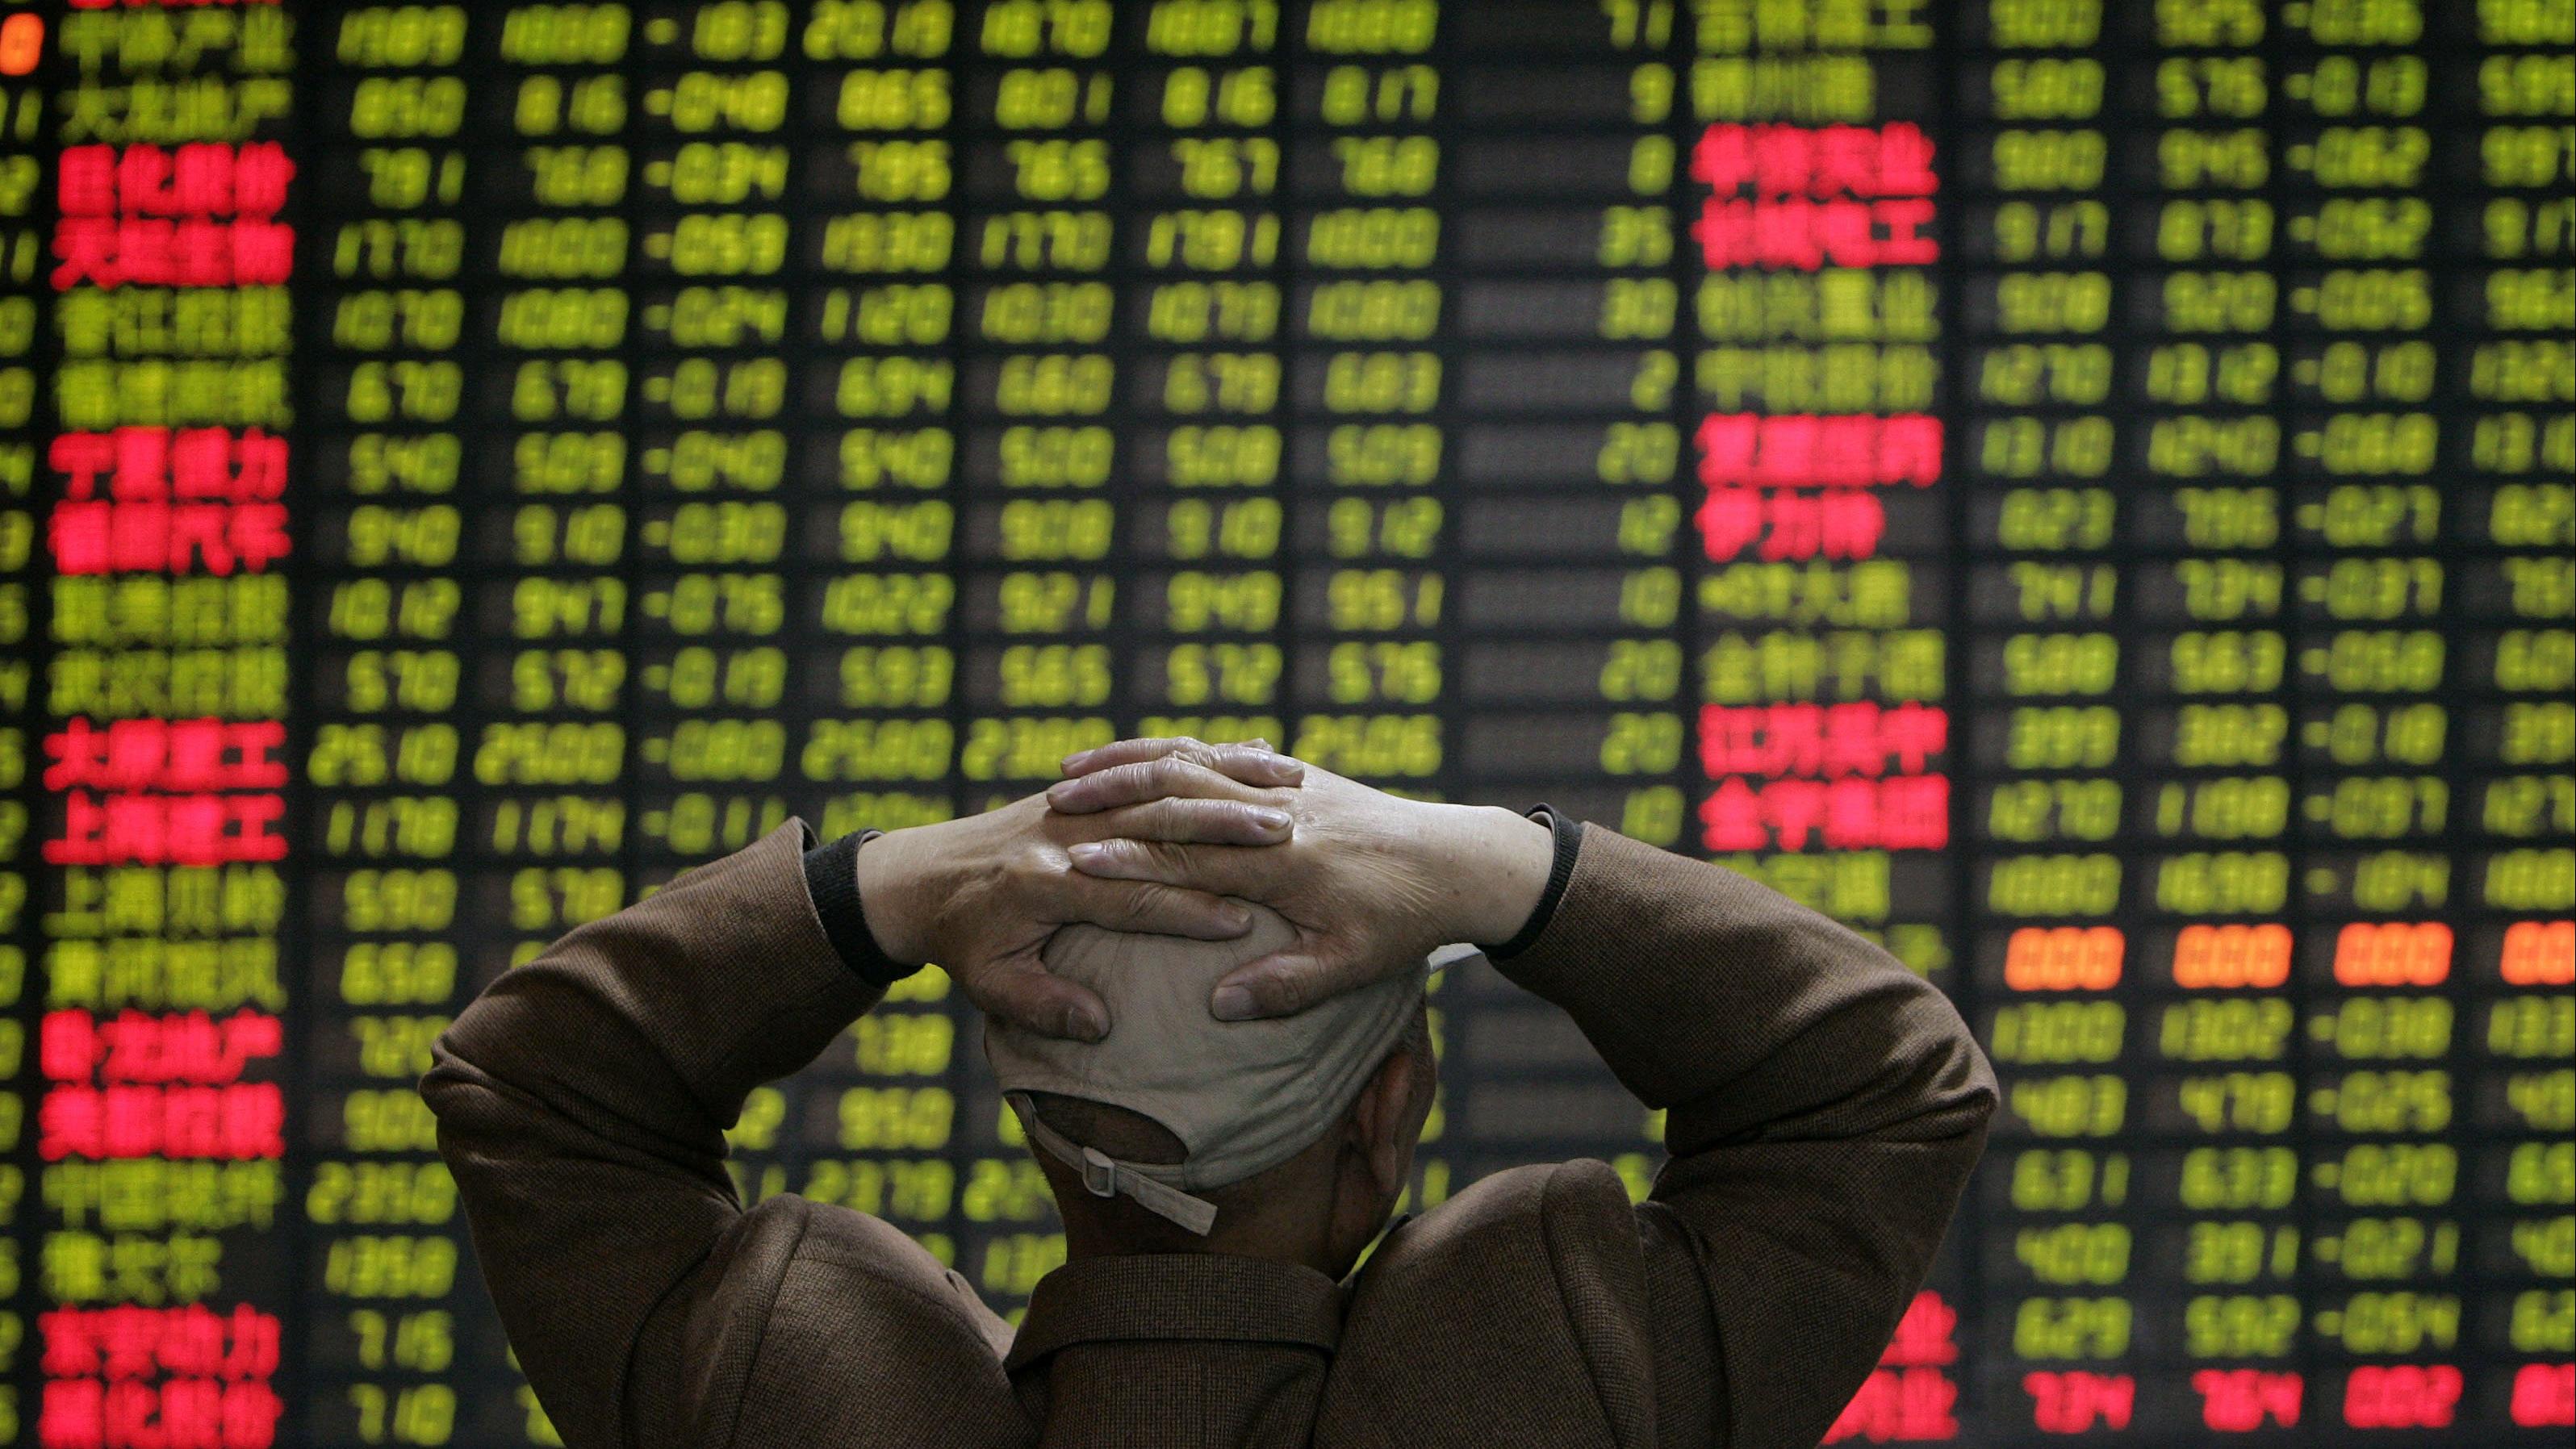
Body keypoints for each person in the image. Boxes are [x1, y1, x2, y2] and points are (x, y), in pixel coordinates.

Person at [423, 736, 1996, 1448]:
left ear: (1037, 1120)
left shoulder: (791, 1381)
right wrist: (1501, 867)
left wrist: (890, 886)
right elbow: (1883, 1085)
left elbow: (531, 1083)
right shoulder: (1560, 1364)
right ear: (1385, 1118)